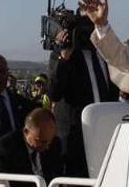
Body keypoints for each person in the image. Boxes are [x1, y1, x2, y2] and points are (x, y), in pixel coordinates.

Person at [47, 18, 119, 176]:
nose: (87, 35)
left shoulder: (105, 54)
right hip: (76, 140)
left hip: (107, 134)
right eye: (82, 31)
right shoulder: (62, 54)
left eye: (91, 29)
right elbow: (54, 93)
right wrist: (64, 56)